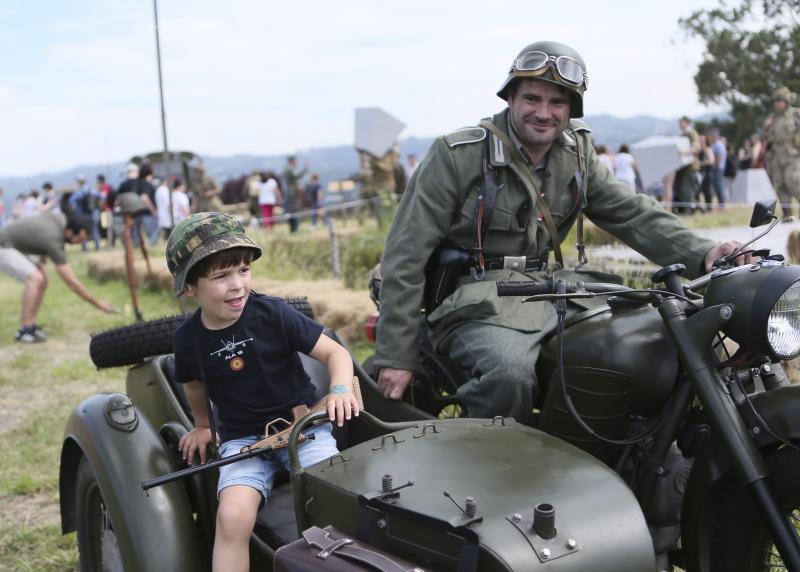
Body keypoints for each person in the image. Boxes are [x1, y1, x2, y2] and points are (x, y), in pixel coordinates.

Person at [373, 41, 750, 425]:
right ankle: (497, 473)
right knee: (508, 374)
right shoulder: (458, 156)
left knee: (658, 334)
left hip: (552, 287)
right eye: (532, 99)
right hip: (472, 297)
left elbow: (633, 213)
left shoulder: (576, 152)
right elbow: (406, 254)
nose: (543, 113)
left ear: (571, 110)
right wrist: (396, 356)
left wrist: (704, 252)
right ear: (510, 98)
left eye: (557, 103)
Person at [166, 212, 359, 572]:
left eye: (243, 270)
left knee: (335, 499)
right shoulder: (188, 340)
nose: (237, 284)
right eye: (221, 276)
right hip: (242, 442)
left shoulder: (274, 313)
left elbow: (335, 353)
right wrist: (204, 425)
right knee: (233, 518)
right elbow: (192, 383)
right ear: (189, 287)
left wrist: (339, 389)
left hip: (303, 429)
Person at [0, 210, 115, 342]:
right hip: (3, 245)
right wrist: (98, 304)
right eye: (80, 239)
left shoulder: (62, 221)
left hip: (15, 245)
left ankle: (30, 325)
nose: (80, 243)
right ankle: (24, 331)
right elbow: (72, 283)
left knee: (43, 279)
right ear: (70, 232)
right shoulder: (54, 238)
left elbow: (37, 234)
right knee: (35, 279)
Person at [763, 86, 800, 222]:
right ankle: (788, 214)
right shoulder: (772, 119)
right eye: (775, 101)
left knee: (793, 181)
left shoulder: (796, 114)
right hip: (776, 156)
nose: (777, 103)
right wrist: (766, 128)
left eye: (780, 100)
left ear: (786, 101)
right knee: (780, 184)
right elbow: (767, 138)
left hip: (793, 154)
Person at [674, 116, 701, 213]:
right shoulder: (683, 134)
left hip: (691, 165)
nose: (679, 125)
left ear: (686, 122)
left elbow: (696, 147)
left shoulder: (691, 133)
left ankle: (690, 209)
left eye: (681, 122)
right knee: (681, 188)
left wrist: (685, 152)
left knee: (687, 188)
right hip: (683, 166)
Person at [281, 156, 307, 233]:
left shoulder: (287, 168)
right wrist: (305, 169)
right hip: (292, 192)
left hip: (289, 192)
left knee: (291, 210)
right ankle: (294, 228)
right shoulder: (290, 168)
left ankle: (293, 228)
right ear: (292, 161)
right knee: (294, 210)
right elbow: (297, 176)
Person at [707, 129, 728, 208]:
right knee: (718, 186)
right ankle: (720, 204)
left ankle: (721, 205)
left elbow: (719, 157)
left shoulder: (718, 145)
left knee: (719, 186)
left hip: (718, 168)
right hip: (717, 168)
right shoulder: (716, 144)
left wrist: (715, 166)